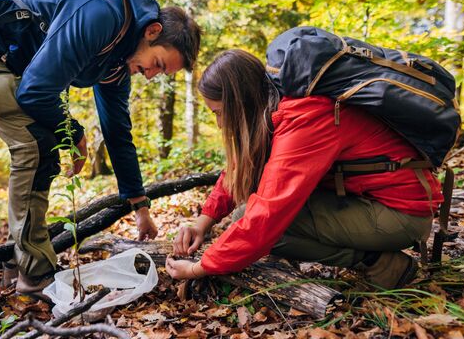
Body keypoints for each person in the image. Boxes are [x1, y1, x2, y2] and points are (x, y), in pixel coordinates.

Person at [0, 0, 200, 294]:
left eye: (160, 73)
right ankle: (36, 274)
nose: (151, 75)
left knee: (41, 144)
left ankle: (17, 262)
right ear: (152, 31)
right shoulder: (100, 14)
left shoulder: (115, 61)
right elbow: (34, 92)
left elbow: (117, 133)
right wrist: (74, 133)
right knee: (33, 146)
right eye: (157, 63)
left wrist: (140, 206)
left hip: (0, 58)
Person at [166, 49, 441, 289]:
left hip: (402, 215)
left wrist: (199, 267)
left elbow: (268, 216)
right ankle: (379, 260)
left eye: (218, 112)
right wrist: (202, 222)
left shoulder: (305, 118)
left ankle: (380, 264)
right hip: (370, 201)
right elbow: (241, 165)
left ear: (240, 105)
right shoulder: (278, 107)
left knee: (263, 226)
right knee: (245, 216)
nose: (219, 124)